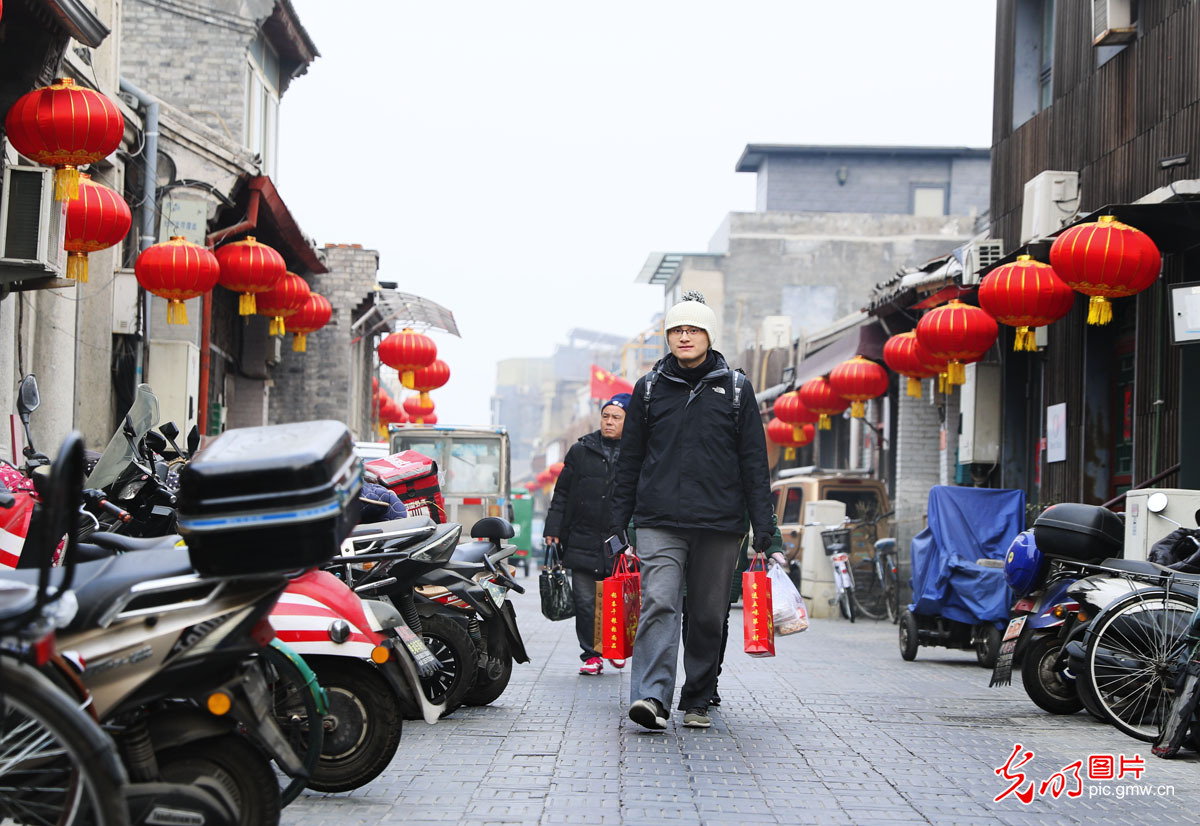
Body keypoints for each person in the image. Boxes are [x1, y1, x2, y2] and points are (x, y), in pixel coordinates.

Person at [610, 290, 774, 731]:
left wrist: (766, 529)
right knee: (660, 603)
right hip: (659, 520)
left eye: (693, 329)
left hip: (720, 523)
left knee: (706, 613)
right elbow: (630, 461)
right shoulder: (648, 390)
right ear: (668, 337)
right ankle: (651, 697)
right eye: (677, 330)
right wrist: (616, 524)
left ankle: (698, 696)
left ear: (708, 335)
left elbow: (754, 463)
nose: (684, 337)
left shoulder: (736, 390)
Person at [543, 393, 631, 675]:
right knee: (584, 600)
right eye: (606, 416)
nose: (609, 422)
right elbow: (562, 493)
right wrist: (553, 529)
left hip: (618, 542)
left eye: (616, 418)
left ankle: (614, 647)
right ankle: (592, 654)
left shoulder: (636, 453)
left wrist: (635, 538)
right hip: (580, 537)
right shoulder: (581, 451)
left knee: (614, 597)